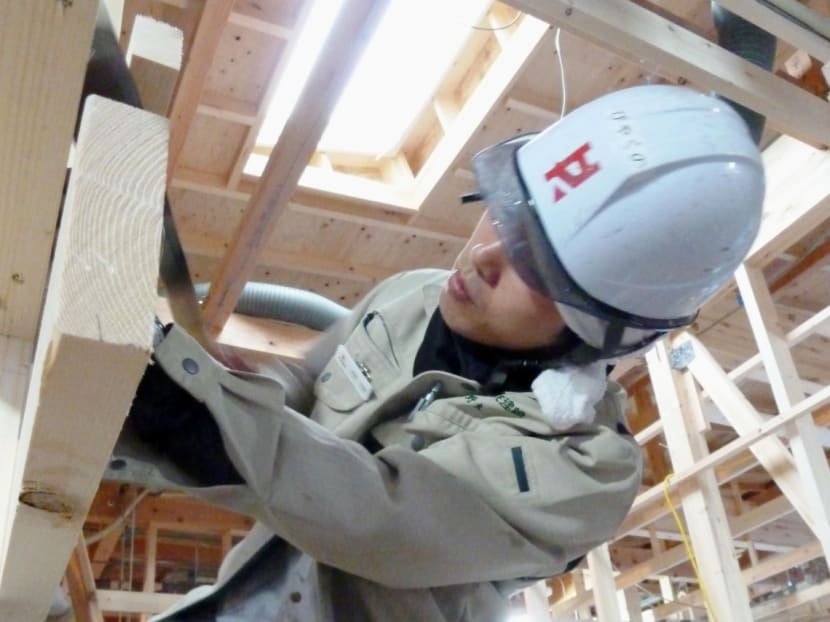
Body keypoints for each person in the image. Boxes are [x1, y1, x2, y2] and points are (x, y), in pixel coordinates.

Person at [117, 84, 765, 621]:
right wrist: (240, 387)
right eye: (504, 216)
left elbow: (378, 518)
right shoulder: (413, 296)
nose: (482, 258)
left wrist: (197, 423)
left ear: (599, 326)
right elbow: (308, 388)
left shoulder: (587, 471)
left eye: (533, 267)